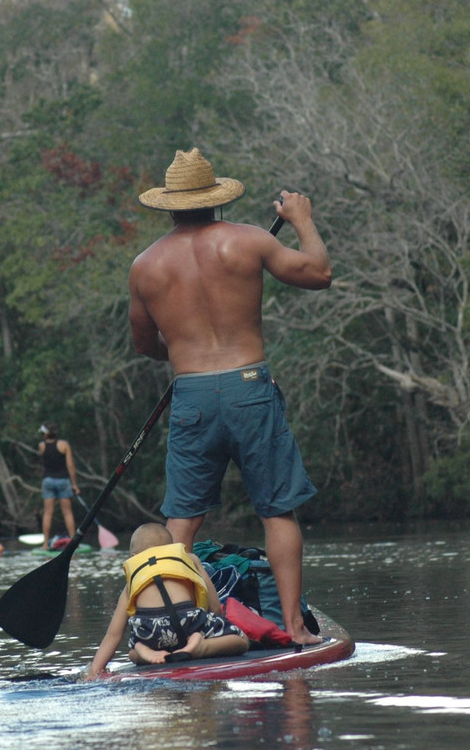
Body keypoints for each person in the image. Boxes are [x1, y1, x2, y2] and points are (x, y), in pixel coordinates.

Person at [128, 148, 331, 646]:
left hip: (192, 393)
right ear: (216, 200)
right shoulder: (250, 241)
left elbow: (146, 346)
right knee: (276, 511)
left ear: (169, 206)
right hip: (249, 388)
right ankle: (294, 627)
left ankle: (170, 627)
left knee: (182, 523)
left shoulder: (146, 265)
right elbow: (319, 274)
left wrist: (180, 344)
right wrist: (302, 220)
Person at [84, 523, 248, 678]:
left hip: (151, 633)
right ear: (171, 549)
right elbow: (215, 608)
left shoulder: (134, 578)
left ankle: (143, 651)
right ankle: (200, 648)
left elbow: (113, 635)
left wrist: (95, 671)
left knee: (132, 653)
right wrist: (211, 627)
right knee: (241, 640)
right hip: (190, 625)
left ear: (134, 557)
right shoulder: (189, 560)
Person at [38, 421, 80, 546]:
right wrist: (74, 484)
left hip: (48, 481)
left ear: (45, 434)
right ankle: (73, 542)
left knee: (47, 513)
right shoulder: (64, 445)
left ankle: (45, 544)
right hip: (63, 480)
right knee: (67, 512)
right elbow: (70, 465)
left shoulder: (41, 446)